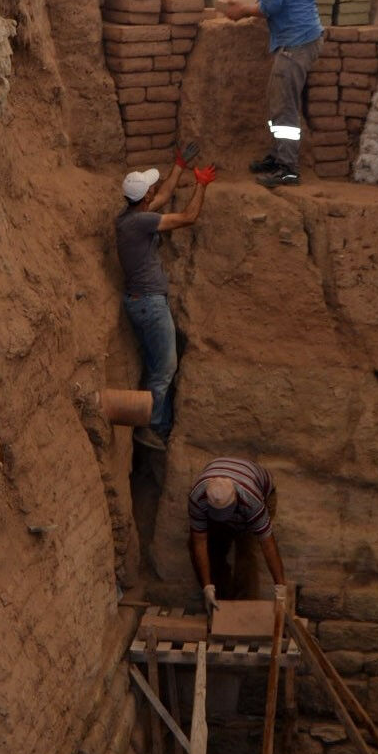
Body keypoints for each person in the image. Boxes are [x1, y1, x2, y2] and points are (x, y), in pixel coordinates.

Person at [115, 148, 216, 451]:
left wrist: (179, 167)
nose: (156, 190)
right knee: (165, 370)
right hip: (149, 305)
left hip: (141, 303)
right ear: (144, 198)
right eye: (151, 188)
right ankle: (154, 428)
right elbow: (188, 217)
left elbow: (165, 193)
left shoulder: (130, 217)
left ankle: (155, 421)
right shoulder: (141, 223)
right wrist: (202, 186)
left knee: (157, 365)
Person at [220, 0, 323, 189]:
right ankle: (278, 157)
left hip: (295, 42)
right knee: (278, 104)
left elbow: (271, 7)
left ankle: (288, 169)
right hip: (304, 37)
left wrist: (241, 10)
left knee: (284, 108)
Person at [187, 455, 286, 617]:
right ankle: (221, 604)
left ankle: (244, 612)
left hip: (262, 492)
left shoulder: (251, 500)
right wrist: (207, 587)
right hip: (229, 490)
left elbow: (267, 544)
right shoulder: (198, 497)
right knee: (212, 549)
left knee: (246, 553)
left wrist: (280, 588)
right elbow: (199, 542)